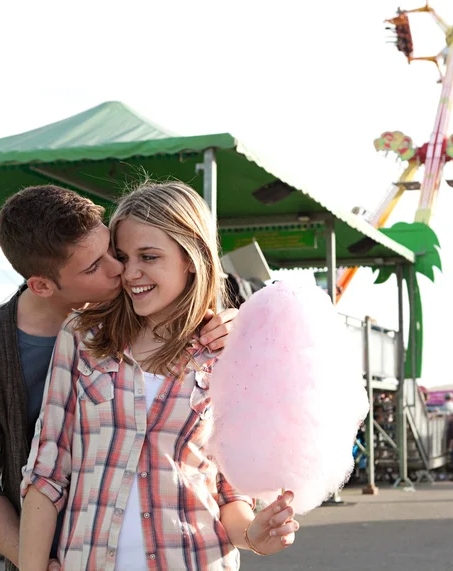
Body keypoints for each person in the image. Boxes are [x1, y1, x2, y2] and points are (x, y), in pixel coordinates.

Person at [0, 185, 237, 571]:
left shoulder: (154, 308)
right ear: (42, 286)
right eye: (98, 265)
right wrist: (36, 563)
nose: (122, 270)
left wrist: (236, 325)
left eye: (111, 250)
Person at [19, 181, 299, 570]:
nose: (131, 272)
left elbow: (229, 492)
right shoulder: (82, 336)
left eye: (148, 256)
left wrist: (256, 536)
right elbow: (46, 471)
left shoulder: (227, 350)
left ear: (191, 257)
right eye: (122, 256)